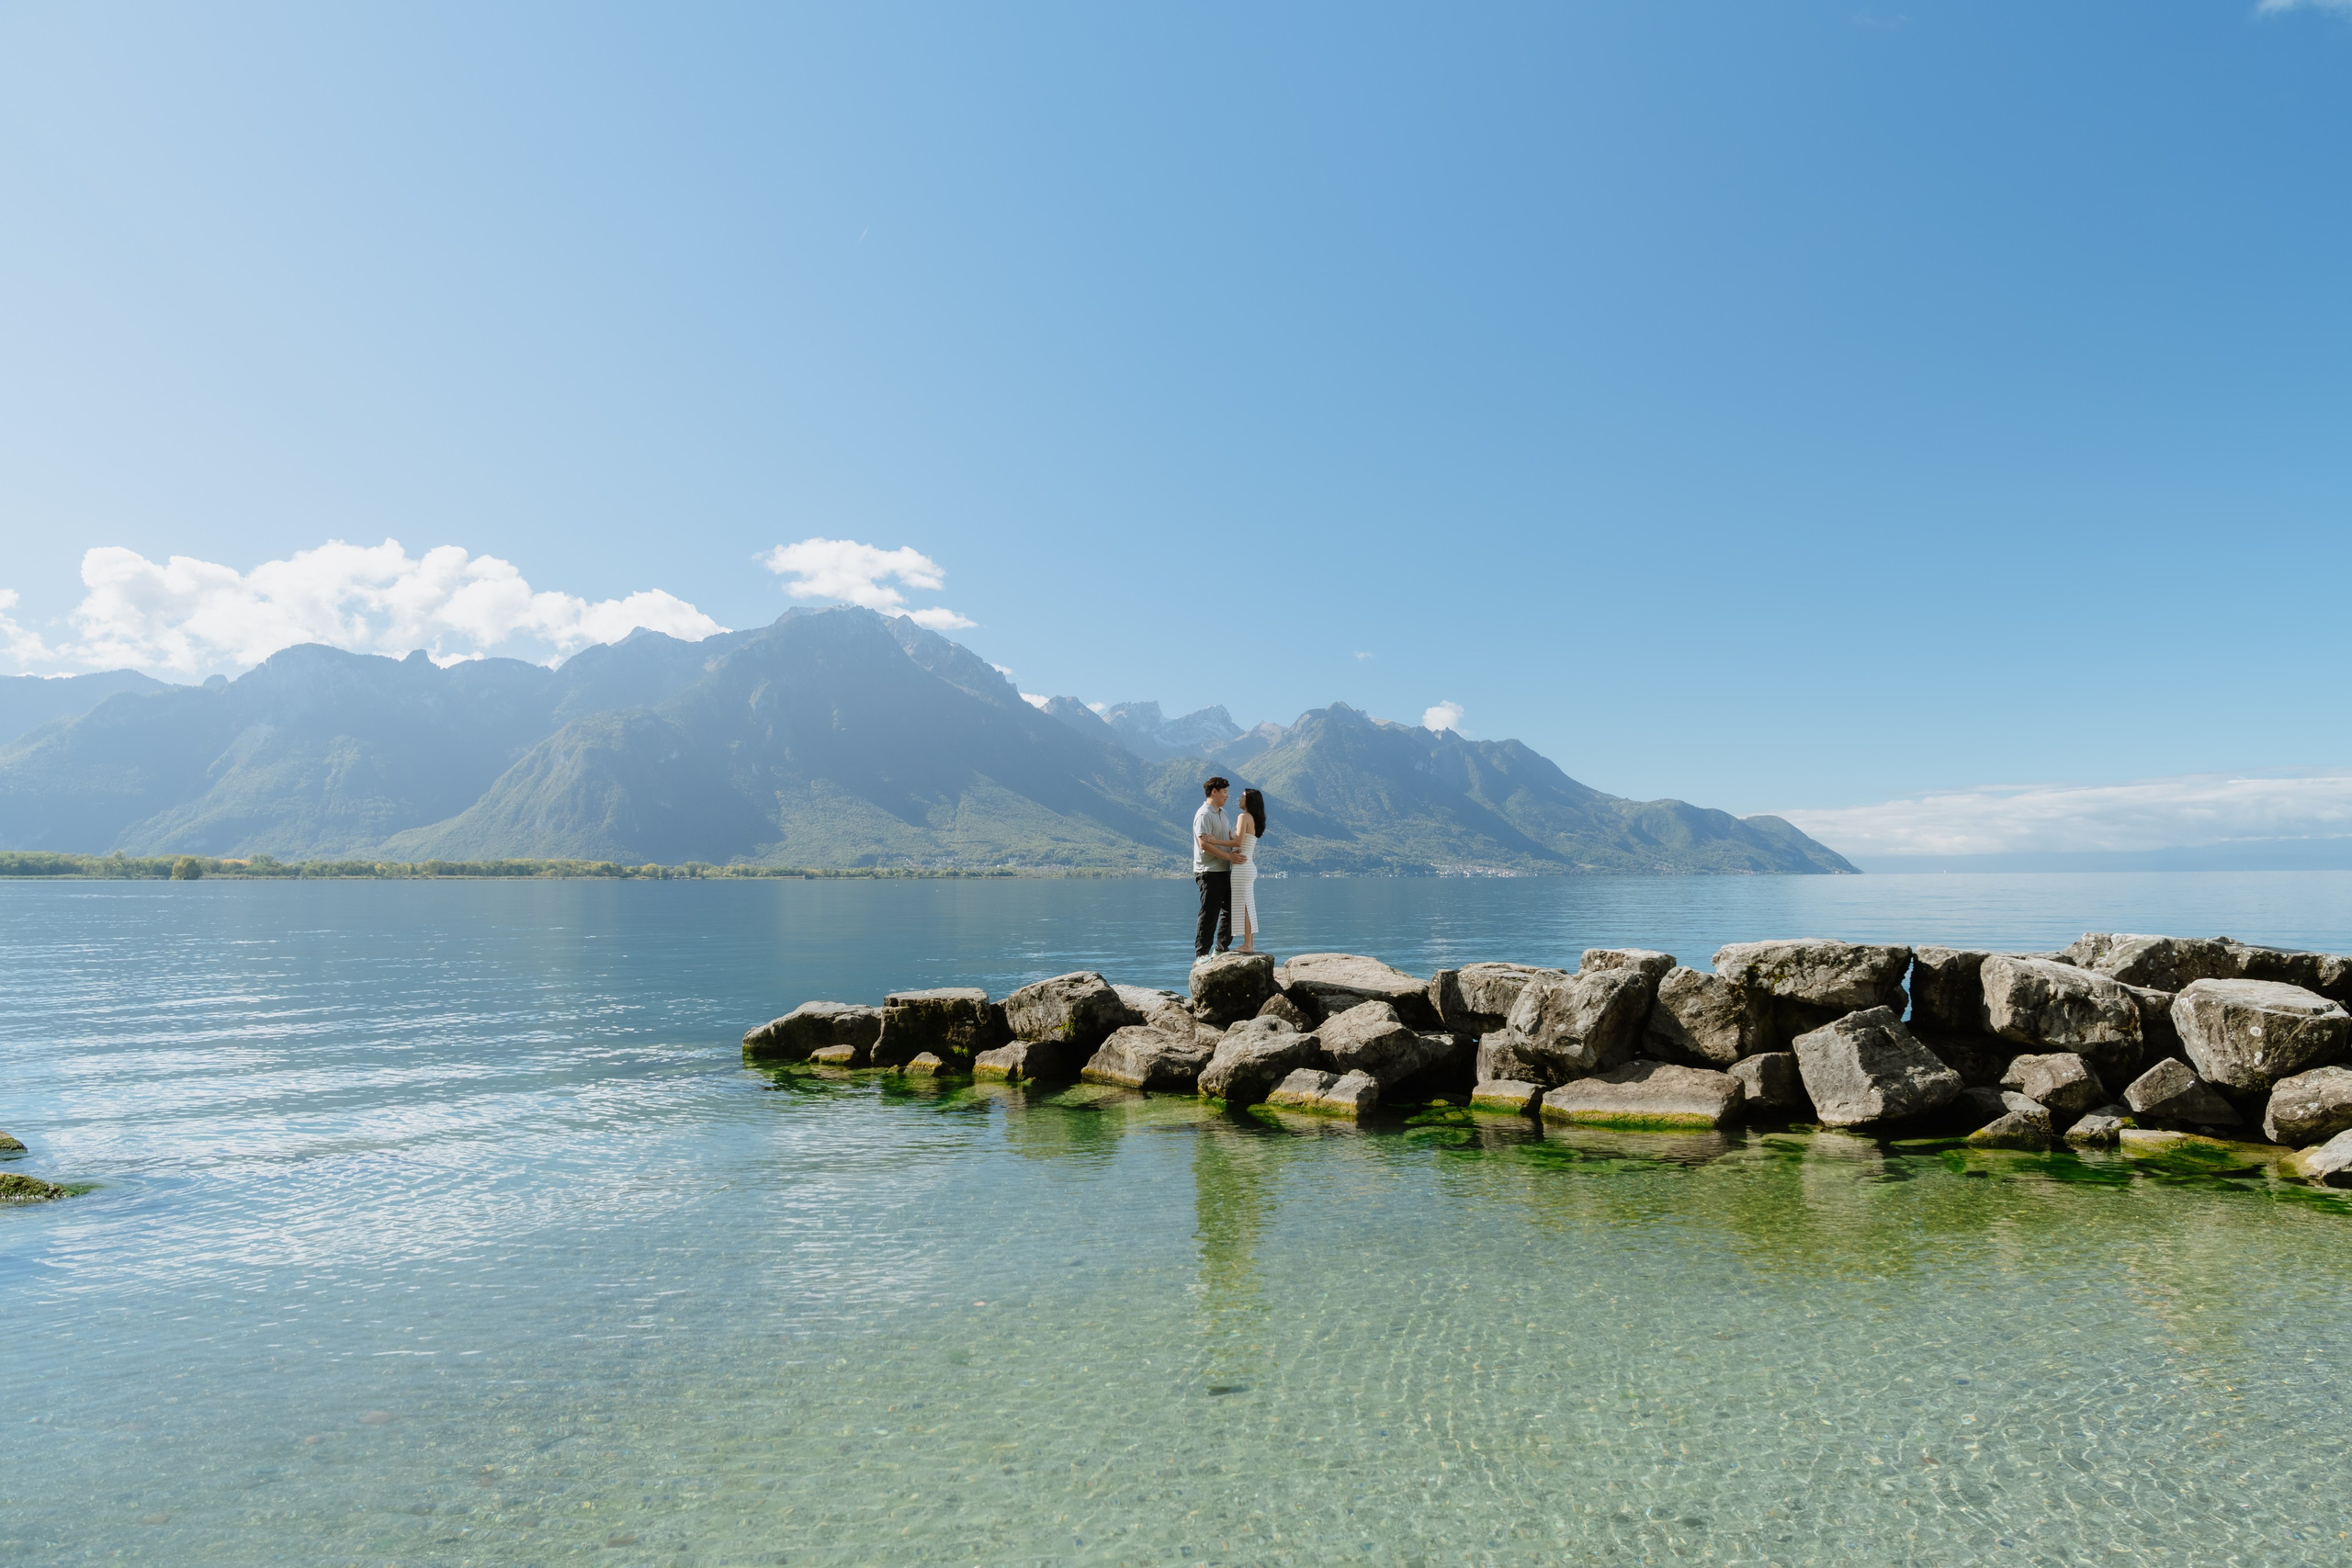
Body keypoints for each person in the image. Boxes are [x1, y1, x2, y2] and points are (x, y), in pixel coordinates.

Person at [1192, 776, 1239, 957]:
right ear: (1214, 791)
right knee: (1209, 913)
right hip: (1208, 872)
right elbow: (1204, 844)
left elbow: (1227, 839)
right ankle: (1202, 954)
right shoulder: (1204, 814)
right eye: (1225, 792)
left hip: (1225, 869)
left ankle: (1221, 948)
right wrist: (1229, 856)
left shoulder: (1224, 814)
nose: (1227, 796)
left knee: (1231, 909)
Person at [1227, 787, 1267, 953]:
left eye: (1242, 796)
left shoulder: (1243, 817)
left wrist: (1215, 840)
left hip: (1242, 866)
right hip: (1249, 865)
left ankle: (1247, 945)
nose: (1239, 799)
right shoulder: (1255, 819)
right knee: (1248, 905)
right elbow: (1244, 842)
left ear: (1249, 800)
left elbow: (1238, 843)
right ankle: (1249, 943)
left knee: (1243, 906)